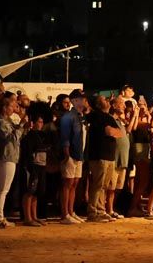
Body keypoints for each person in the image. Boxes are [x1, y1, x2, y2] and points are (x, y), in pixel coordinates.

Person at [0, 93, 24, 229]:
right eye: (11, 106)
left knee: (3, 189)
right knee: (3, 189)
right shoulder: (1, 122)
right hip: (5, 158)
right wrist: (21, 126)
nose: (14, 108)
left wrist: (21, 124)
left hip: (7, 157)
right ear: (4, 108)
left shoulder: (4, 121)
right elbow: (11, 138)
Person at [19, 107, 54, 226]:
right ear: (33, 123)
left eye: (42, 122)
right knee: (29, 192)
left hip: (42, 166)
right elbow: (28, 153)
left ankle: (34, 216)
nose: (41, 124)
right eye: (39, 122)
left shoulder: (41, 135)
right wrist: (30, 168)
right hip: (32, 166)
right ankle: (27, 218)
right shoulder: (29, 136)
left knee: (37, 192)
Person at [58, 89, 86, 224]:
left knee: (74, 184)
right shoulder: (68, 117)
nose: (83, 101)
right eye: (80, 99)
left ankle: (71, 211)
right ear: (74, 101)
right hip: (70, 154)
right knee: (67, 184)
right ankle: (65, 214)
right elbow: (65, 137)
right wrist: (67, 154)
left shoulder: (80, 117)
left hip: (79, 154)